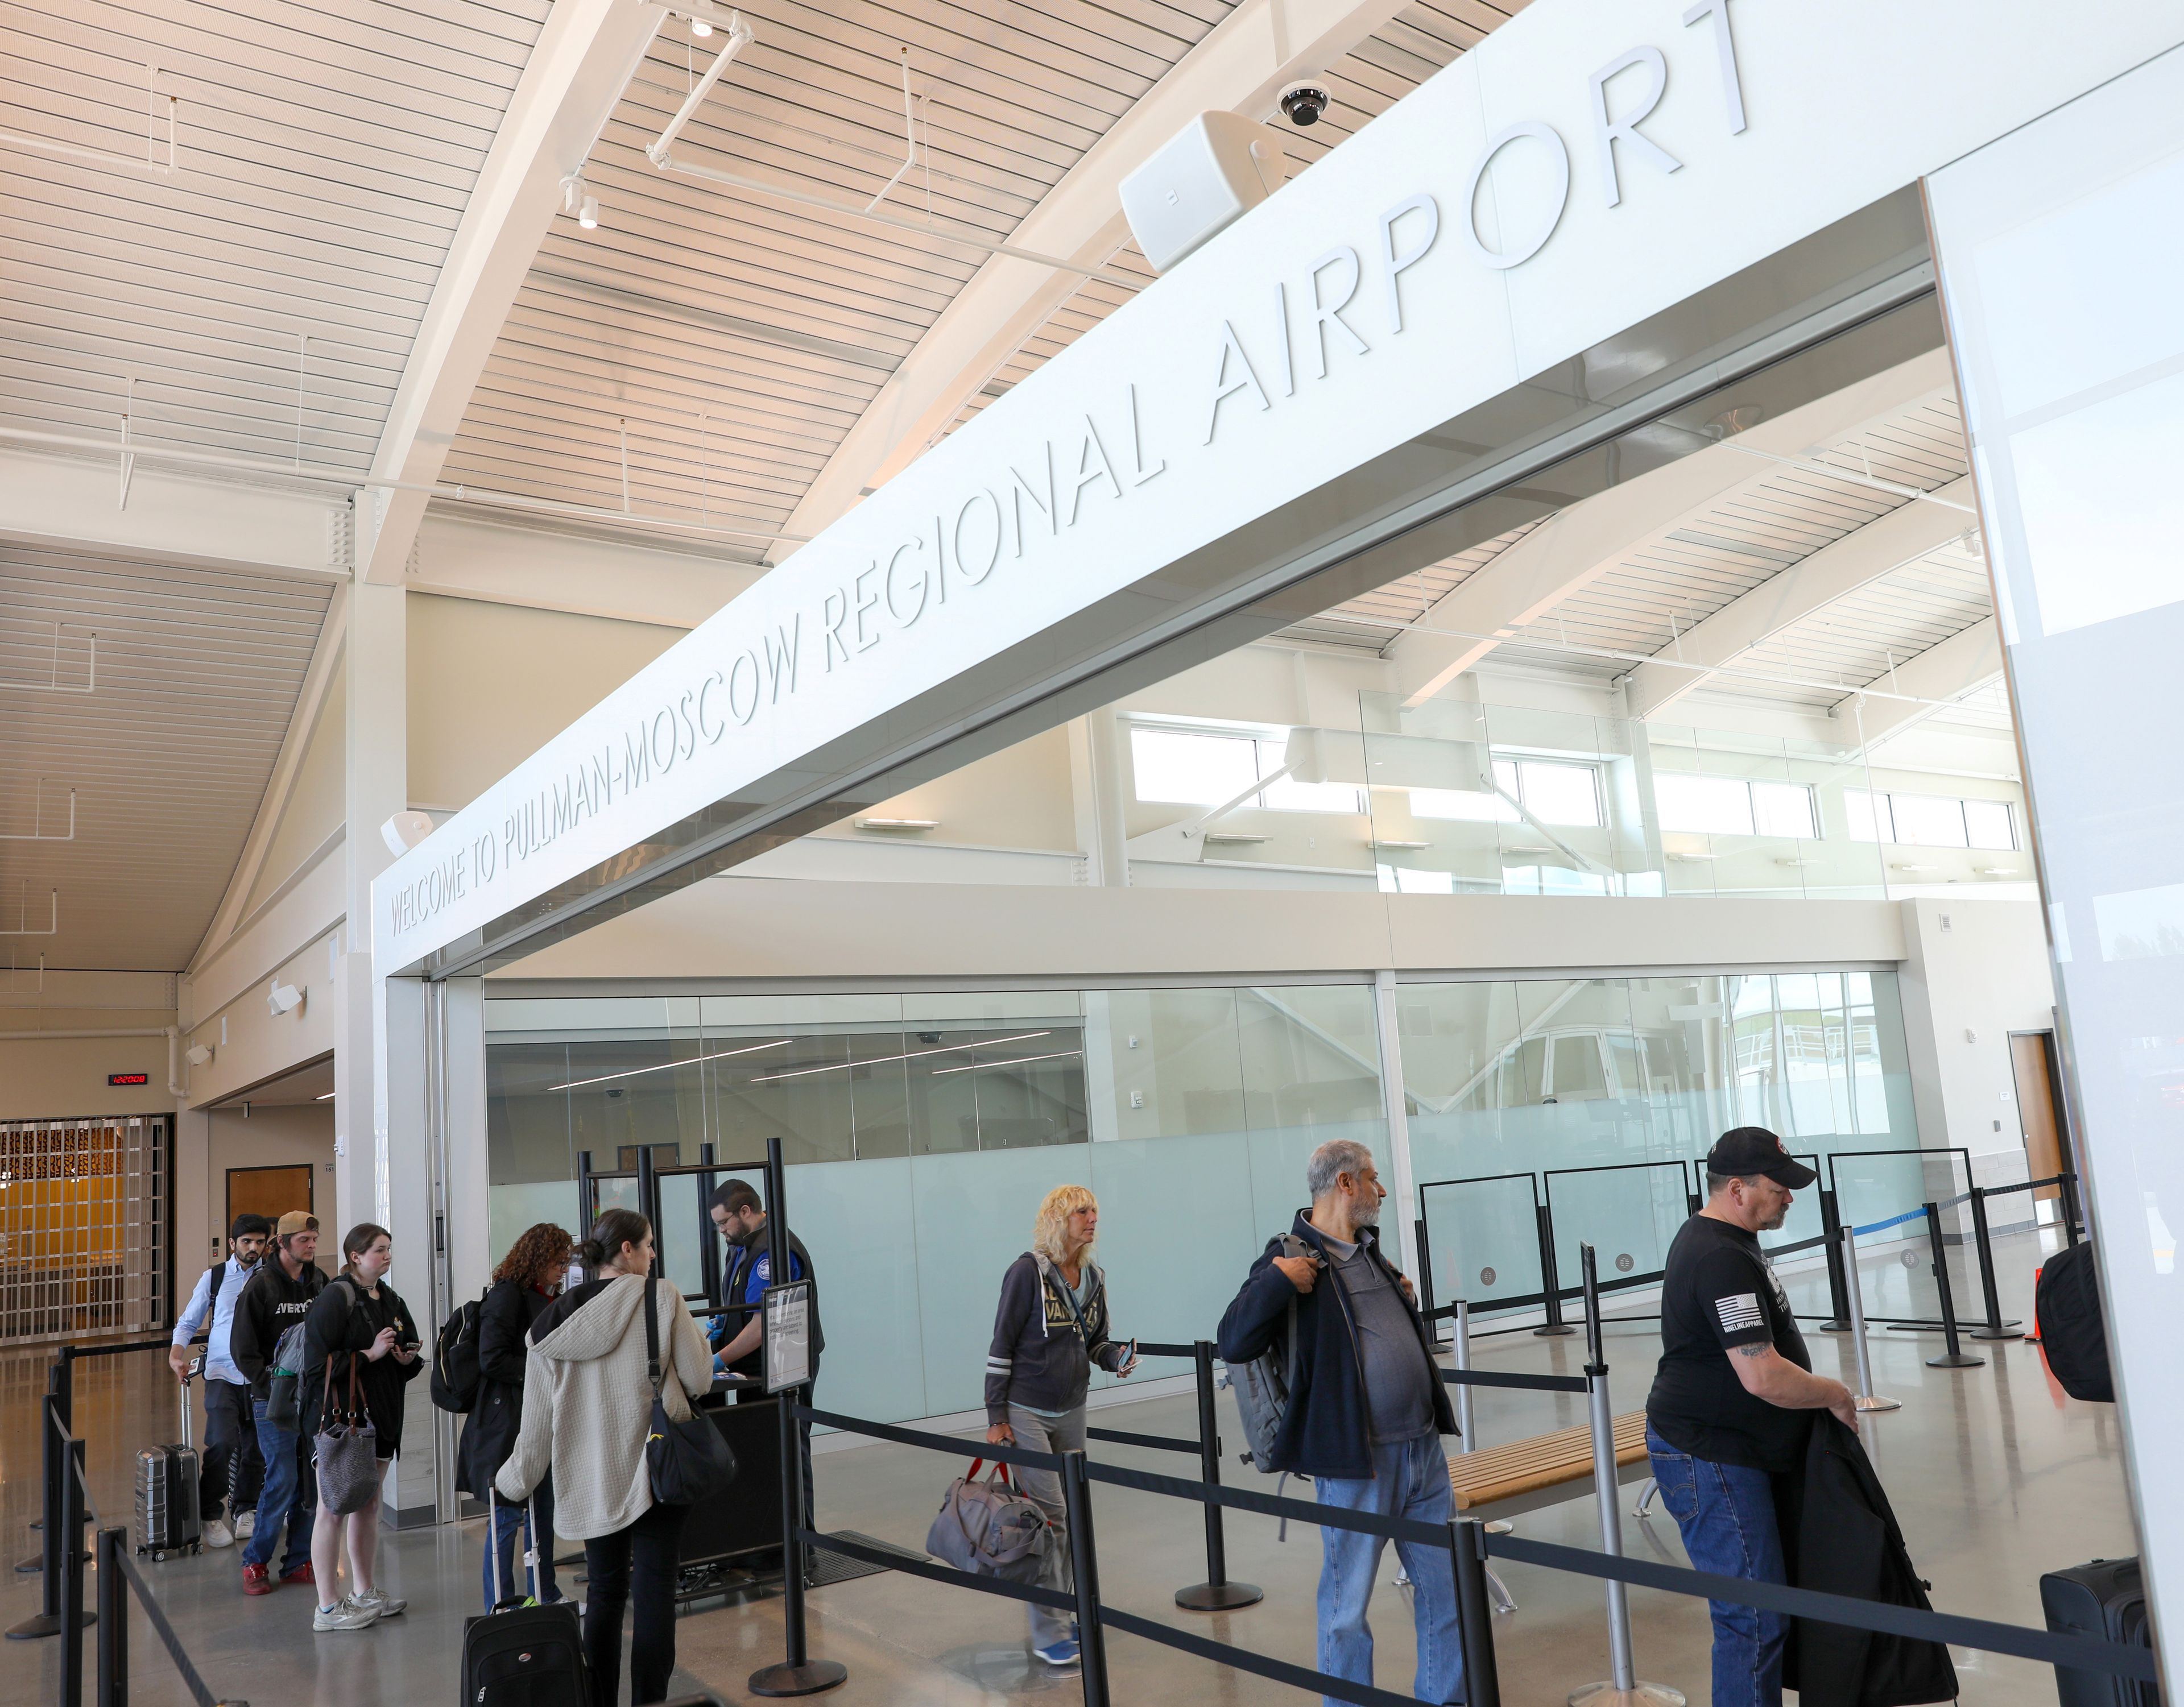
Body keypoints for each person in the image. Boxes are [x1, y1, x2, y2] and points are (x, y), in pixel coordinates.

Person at [1217, 1140, 1465, 1707]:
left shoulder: (1372, 1253)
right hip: (1358, 1462)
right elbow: (1233, 1337)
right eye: (1374, 1179)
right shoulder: (1289, 1255)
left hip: (1422, 1453)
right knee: (1346, 1607)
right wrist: (1280, 1280)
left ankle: (1446, 1696)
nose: (1381, 1190)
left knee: (1445, 1590)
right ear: (1346, 1183)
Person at [1644, 1128, 1858, 1707]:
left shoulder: (1731, 1242)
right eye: (1778, 1187)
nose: (1790, 1197)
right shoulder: (1718, 1255)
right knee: (1753, 1619)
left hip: (1737, 1450)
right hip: (1712, 1455)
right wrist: (1835, 1393)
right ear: (1737, 1188)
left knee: (1763, 1614)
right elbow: (1761, 1373)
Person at [498, 1209, 713, 1707]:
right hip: (658, 1469)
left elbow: (536, 1427)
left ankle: (599, 1701)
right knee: (656, 1587)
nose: (654, 1254)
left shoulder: (550, 1326)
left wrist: (513, 1482)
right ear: (627, 1251)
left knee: (606, 1594)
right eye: (650, 1245)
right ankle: (651, 1702)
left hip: (591, 1477)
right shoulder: (661, 1298)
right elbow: (700, 1380)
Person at [983, 1184, 1138, 1670]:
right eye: (1081, 1212)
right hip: (1027, 1409)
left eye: (1094, 1210)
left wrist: (1116, 1359)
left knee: (1072, 1519)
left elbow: (1098, 1342)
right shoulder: (1026, 1273)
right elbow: (1001, 1346)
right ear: (1058, 1219)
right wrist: (996, 1418)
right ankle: (1049, 1632)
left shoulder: (1093, 1276)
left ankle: (1062, 1611)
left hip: (1073, 1408)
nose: (1092, 1218)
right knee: (1051, 1519)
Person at [299, 1223, 423, 1632]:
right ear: (356, 1256)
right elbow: (317, 1366)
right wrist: (369, 1355)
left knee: (369, 1505)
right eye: (380, 1250)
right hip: (341, 1422)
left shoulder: (390, 1298)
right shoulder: (336, 1299)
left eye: (390, 1249)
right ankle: (328, 1608)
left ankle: (364, 1591)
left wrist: (407, 1359)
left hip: (382, 1417)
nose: (387, 1256)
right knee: (333, 1508)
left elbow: (407, 1348)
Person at [461, 1221, 573, 1610]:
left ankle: (546, 1593)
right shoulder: (507, 1296)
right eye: (558, 1262)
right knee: (507, 1517)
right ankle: (502, 1604)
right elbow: (491, 1358)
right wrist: (540, 1370)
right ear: (538, 1259)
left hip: (535, 1417)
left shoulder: (543, 1296)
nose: (562, 1270)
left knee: (541, 1513)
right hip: (505, 1425)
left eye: (567, 1262)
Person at [708, 1178, 823, 1532]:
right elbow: (741, 1302)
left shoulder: (773, 1251)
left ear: (746, 1212)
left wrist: (718, 1360)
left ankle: (800, 1542)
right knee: (760, 1451)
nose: (722, 1231)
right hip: (755, 1369)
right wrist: (722, 1326)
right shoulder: (743, 1244)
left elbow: (762, 1327)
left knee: (787, 1453)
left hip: (782, 1369)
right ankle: (766, 1538)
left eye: (724, 1222)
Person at [229, 1210, 326, 1596]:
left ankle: (299, 1560)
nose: (312, 1246)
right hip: (272, 1401)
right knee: (283, 1477)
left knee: (310, 1480)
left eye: (315, 1239)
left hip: (313, 1399)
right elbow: (243, 1350)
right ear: (282, 1243)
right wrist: (271, 1382)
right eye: (304, 1240)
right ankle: (255, 1561)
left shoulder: (319, 1281)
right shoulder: (260, 1287)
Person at [169, 1213, 272, 1549]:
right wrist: (176, 1355)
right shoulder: (214, 1278)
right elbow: (189, 1320)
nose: (253, 1248)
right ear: (232, 1244)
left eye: (260, 1242)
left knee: (257, 1446)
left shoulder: (272, 1278)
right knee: (222, 1441)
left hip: (260, 1375)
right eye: (247, 1242)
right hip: (221, 1373)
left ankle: (246, 1507)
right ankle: (210, 1512)